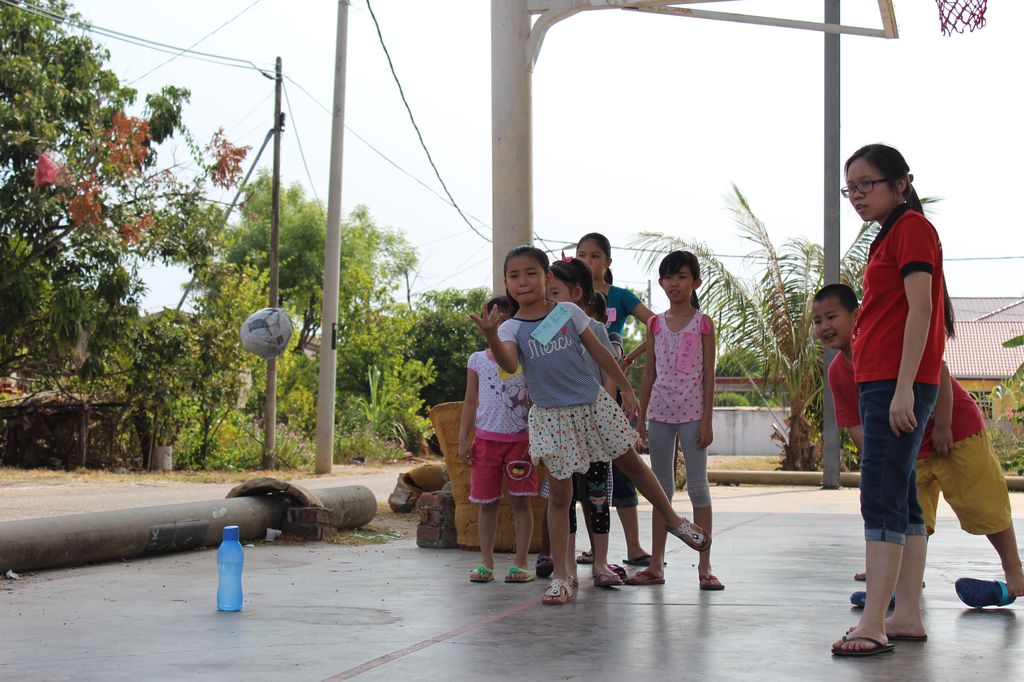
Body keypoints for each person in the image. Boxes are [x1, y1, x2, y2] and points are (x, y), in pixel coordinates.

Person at [469, 245, 711, 605]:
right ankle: (562, 578)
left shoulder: (565, 312)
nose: (523, 281)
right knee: (560, 497)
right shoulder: (511, 327)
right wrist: (491, 335)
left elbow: (600, 351)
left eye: (531, 273)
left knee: (633, 465)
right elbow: (509, 364)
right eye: (514, 276)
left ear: (547, 278)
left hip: (593, 405)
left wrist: (626, 388)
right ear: (506, 282)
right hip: (552, 418)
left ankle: (674, 521)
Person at [812, 283, 1024, 602]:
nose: (824, 326)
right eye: (817, 321)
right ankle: (900, 579)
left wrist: (943, 426)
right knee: (910, 518)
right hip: (907, 449)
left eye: (832, 317)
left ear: (856, 316)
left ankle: (1014, 573)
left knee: (984, 504)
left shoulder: (885, 345)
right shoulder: (836, 373)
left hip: (955, 432)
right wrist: (881, 464)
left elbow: (940, 372)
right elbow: (856, 425)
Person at [829, 143, 954, 657]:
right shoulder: (890, 233)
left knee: (880, 494)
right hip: (882, 378)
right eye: (850, 188)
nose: (857, 195)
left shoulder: (911, 228)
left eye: (867, 184)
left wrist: (904, 387)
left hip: (894, 381)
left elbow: (921, 310)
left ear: (900, 183)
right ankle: (905, 617)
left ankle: (874, 622)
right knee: (901, 497)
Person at [631, 251, 722, 590]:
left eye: (681, 277)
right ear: (660, 282)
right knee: (661, 489)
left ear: (695, 282)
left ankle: (705, 565)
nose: (674, 283)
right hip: (659, 413)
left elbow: (709, 376)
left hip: (693, 414)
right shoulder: (655, 324)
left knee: (698, 486)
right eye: (668, 277)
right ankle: (656, 564)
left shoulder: (703, 324)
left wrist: (707, 420)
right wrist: (640, 419)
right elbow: (649, 374)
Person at [576, 233, 654, 566]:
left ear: (607, 262)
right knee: (588, 473)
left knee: (622, 468)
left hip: (614, 392)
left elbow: (656, 324)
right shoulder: (570, 295)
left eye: (594, 255)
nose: (587, 261)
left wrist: (629, 356)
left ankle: (634, 546)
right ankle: (597, 550)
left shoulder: (620, 296)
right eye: (581, 255)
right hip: (579, 393)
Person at [548, 257, 622, 588]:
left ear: (576, 294)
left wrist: (609, 413)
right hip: (560, 429)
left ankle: (600, 562)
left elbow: (609, 373)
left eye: (555, 293)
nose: (549, 301)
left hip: (594, 429)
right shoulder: (542, 333)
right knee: (563, 499)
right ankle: (565, 566)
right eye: (547, 295)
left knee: (597, 496)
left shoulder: (595, 329)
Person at [458, 296, 538, 584]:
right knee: (487, 504)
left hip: (521, 444)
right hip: (485, 443)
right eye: (491, 317)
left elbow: (535, 400)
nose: (497, 322)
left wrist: (535, 436)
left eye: (504, 317)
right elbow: (470, 401)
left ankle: (520, 563)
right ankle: (486, 564)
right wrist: (462, 439)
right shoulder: (477, 360)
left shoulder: (526, 359)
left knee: (521, 503)